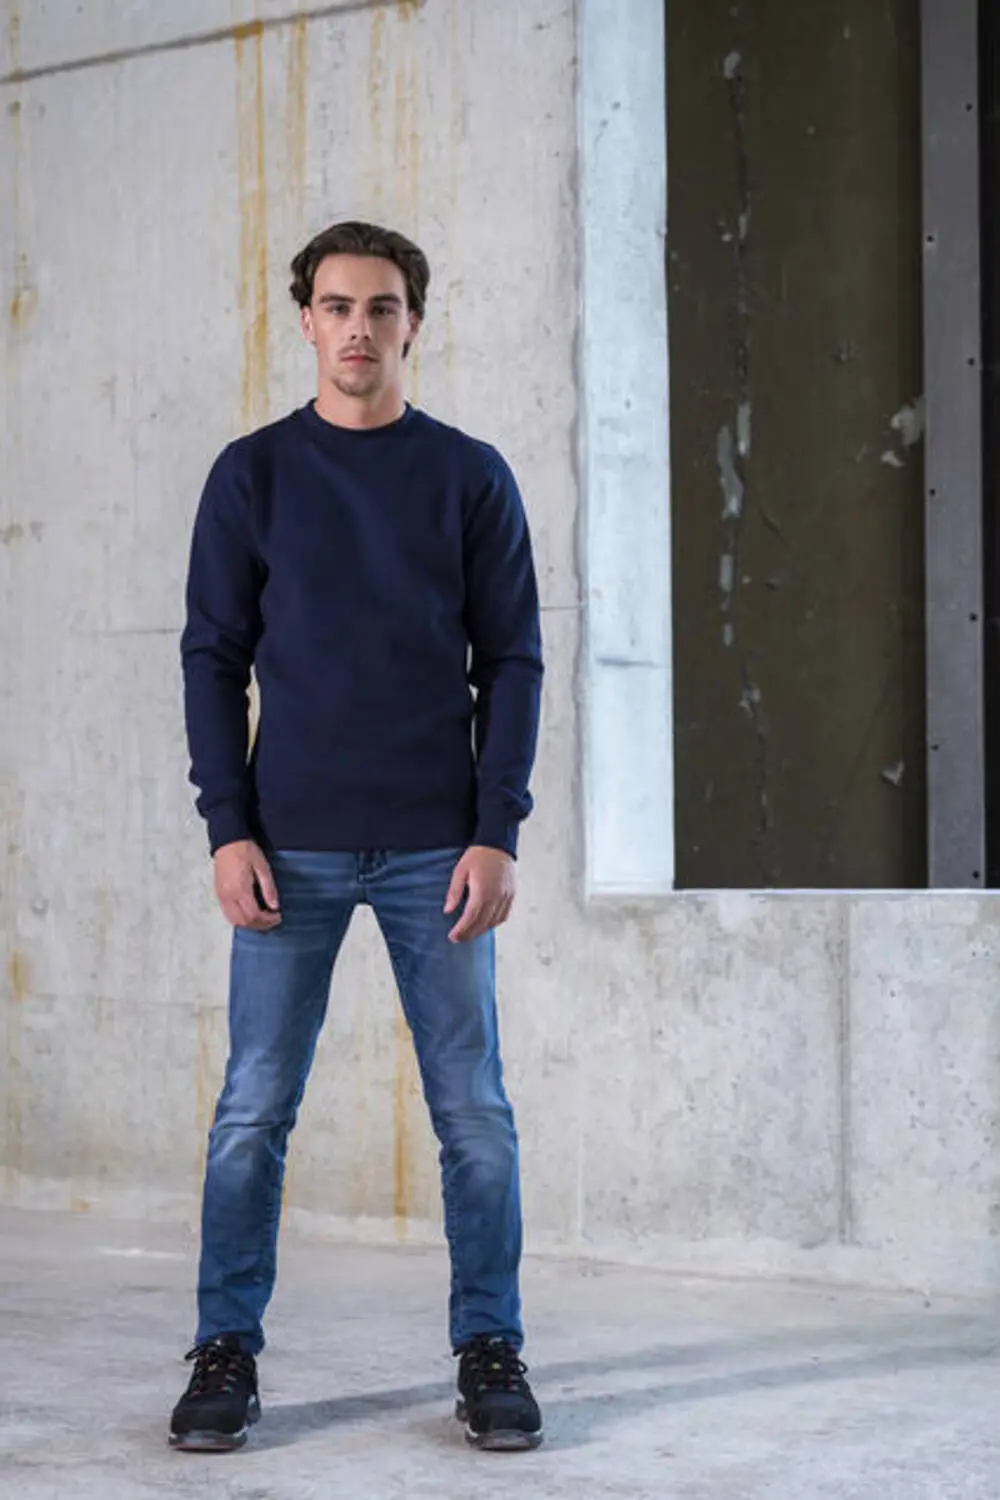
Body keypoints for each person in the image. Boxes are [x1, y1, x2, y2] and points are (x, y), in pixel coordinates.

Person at [170, 222, 544, 1454]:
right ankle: (225, 1350)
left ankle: (489, 1348)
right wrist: (228, 828)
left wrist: (496, 830)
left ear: (412, 324)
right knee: (252, 1110)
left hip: (441, 849)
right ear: (306, 322)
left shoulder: (469, 476)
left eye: (382, 308)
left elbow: (513, 660)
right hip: (291, 849)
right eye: (336, 306)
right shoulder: (254, 475)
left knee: (471, 1113)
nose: (358, 329)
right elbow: (212, 657)